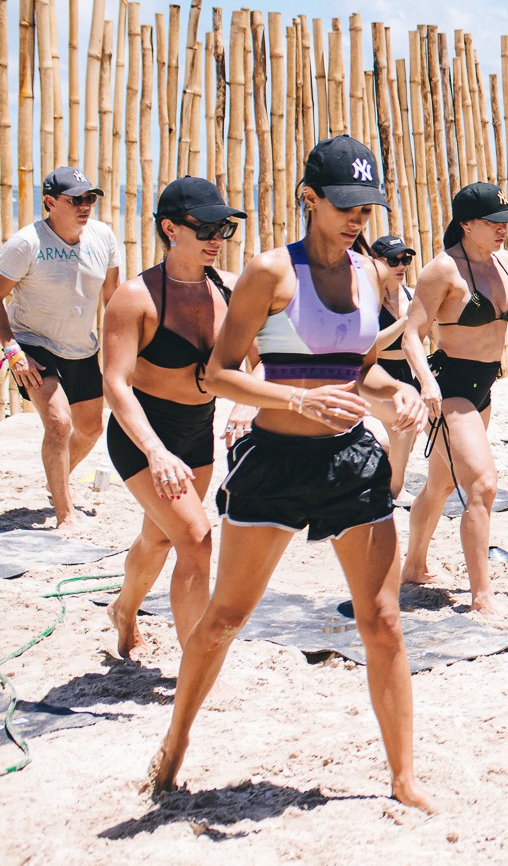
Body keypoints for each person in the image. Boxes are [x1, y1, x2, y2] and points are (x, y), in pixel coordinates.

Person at [148, 135, 431, 809]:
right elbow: (218, 374)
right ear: (309, 198)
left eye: (366, 207)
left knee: (384, 621)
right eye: (345, 205)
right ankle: (175, 743)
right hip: (274, 462)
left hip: (349, 462)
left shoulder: (370, 276)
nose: (358, 218)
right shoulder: (271, 272)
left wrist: (399, 393)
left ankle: (404, 780)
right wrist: (295, 400)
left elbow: (358, 372)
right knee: (225, 618)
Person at [401, 182, 508, 617]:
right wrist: (425, 383)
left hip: (484, 389)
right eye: (493, 222)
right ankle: (481, 596)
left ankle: (414, 566)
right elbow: (411, 335)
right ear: (466, 224)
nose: (503, 229)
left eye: (506, 222)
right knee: (481, 485)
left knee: (441, 484)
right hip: (451, 389)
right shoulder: (442, 271)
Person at [99, 179, 244, 657]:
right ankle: (196, 666)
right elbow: (115, 384)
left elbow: (267, 358)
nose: (216, 238)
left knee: (159, 538)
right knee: (197, 539)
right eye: (205, 228)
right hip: (143, 437)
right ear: (169, 228)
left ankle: (124, 609)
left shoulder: (229, 289)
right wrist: (155, 451)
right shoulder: (135, 297)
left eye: (223, 228)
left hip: (197, 433)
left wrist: (246, 405)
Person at [0, 168, 121, 532]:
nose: (85, 206)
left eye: (90, 198)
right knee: (58, 423)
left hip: (81, 347)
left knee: (91, 429)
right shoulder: (25, 243)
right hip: (33, 344)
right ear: (50, 202)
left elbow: (114, 299)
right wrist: (11, 349)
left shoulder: (103, 236)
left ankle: (58, 482)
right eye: (76, 199)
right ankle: (65, 515)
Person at [366, 234, 429, 499]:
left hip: (406, 374)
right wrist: (405, 320)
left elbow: (423, 338)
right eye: (393, 260)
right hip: (374, 373)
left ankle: (380, 461)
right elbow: (371, 347)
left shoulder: (411, 295)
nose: (401, 265)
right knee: (404, 425)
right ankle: (396, 491)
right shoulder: (368, 298)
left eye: (405, 259)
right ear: (376, 262)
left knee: (408, 438)